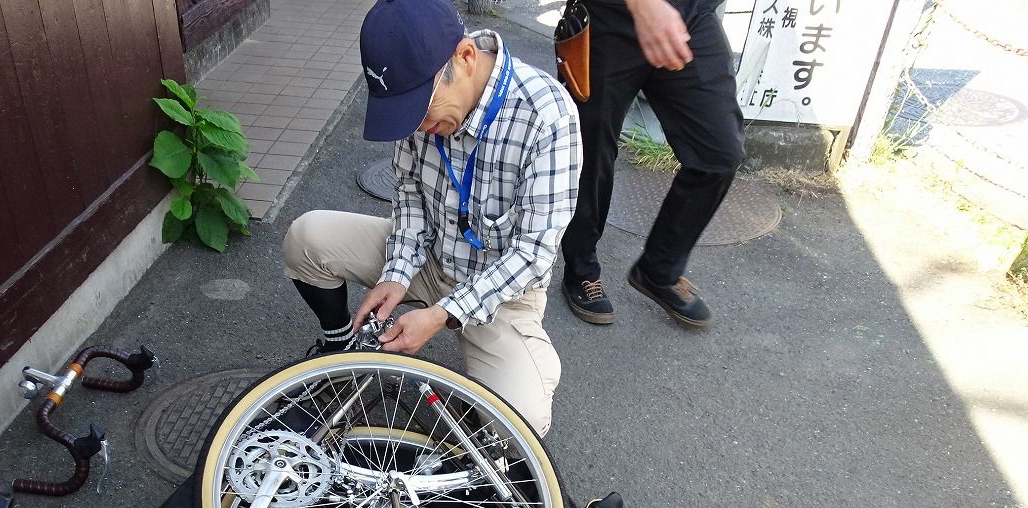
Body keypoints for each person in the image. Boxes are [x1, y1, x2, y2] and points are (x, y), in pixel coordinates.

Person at [282, 0, 582, 437]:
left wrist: (443, 313)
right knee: (306, 238)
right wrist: (396, 274)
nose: (418, 125)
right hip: (430, 257)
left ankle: (484, 399)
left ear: (465, 57)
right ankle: (339, 345)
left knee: (522, 421)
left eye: (421, 109)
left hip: (503, 294)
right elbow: (409, 198)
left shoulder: (547, 115)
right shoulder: (424, 112)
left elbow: (533, 254)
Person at [559, 0, 744, 329]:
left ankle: (659, 269)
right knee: (590, 150)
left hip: (689, 15)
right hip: (610, 14)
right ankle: (581, 268)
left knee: (719, 152)